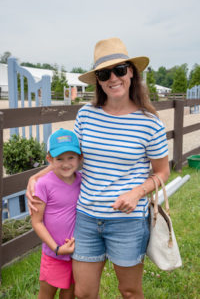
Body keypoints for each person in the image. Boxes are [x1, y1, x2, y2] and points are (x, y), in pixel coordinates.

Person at [27, 37, 170, 299]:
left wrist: (137, 193)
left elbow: (162, 172)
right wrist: (36, 176)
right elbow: (71, 158)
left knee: (129, 291)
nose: (113, 78)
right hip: (87, 219)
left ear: (131, 72)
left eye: (120, 70)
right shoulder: (86, 115)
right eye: (105, 73)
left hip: (127, 222)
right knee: (84, 293)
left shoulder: (150, 123)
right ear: (98, 80)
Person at [31, 128, 82, 299]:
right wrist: (56, 248)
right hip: (54, 255)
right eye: (59, 158)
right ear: (49, 159)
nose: (66, 163)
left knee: (69, 295)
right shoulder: (43, 184)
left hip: (76, 253)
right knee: (47, 294)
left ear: (80, 157)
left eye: (71, 157)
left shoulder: (83, 180)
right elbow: (37, 222)